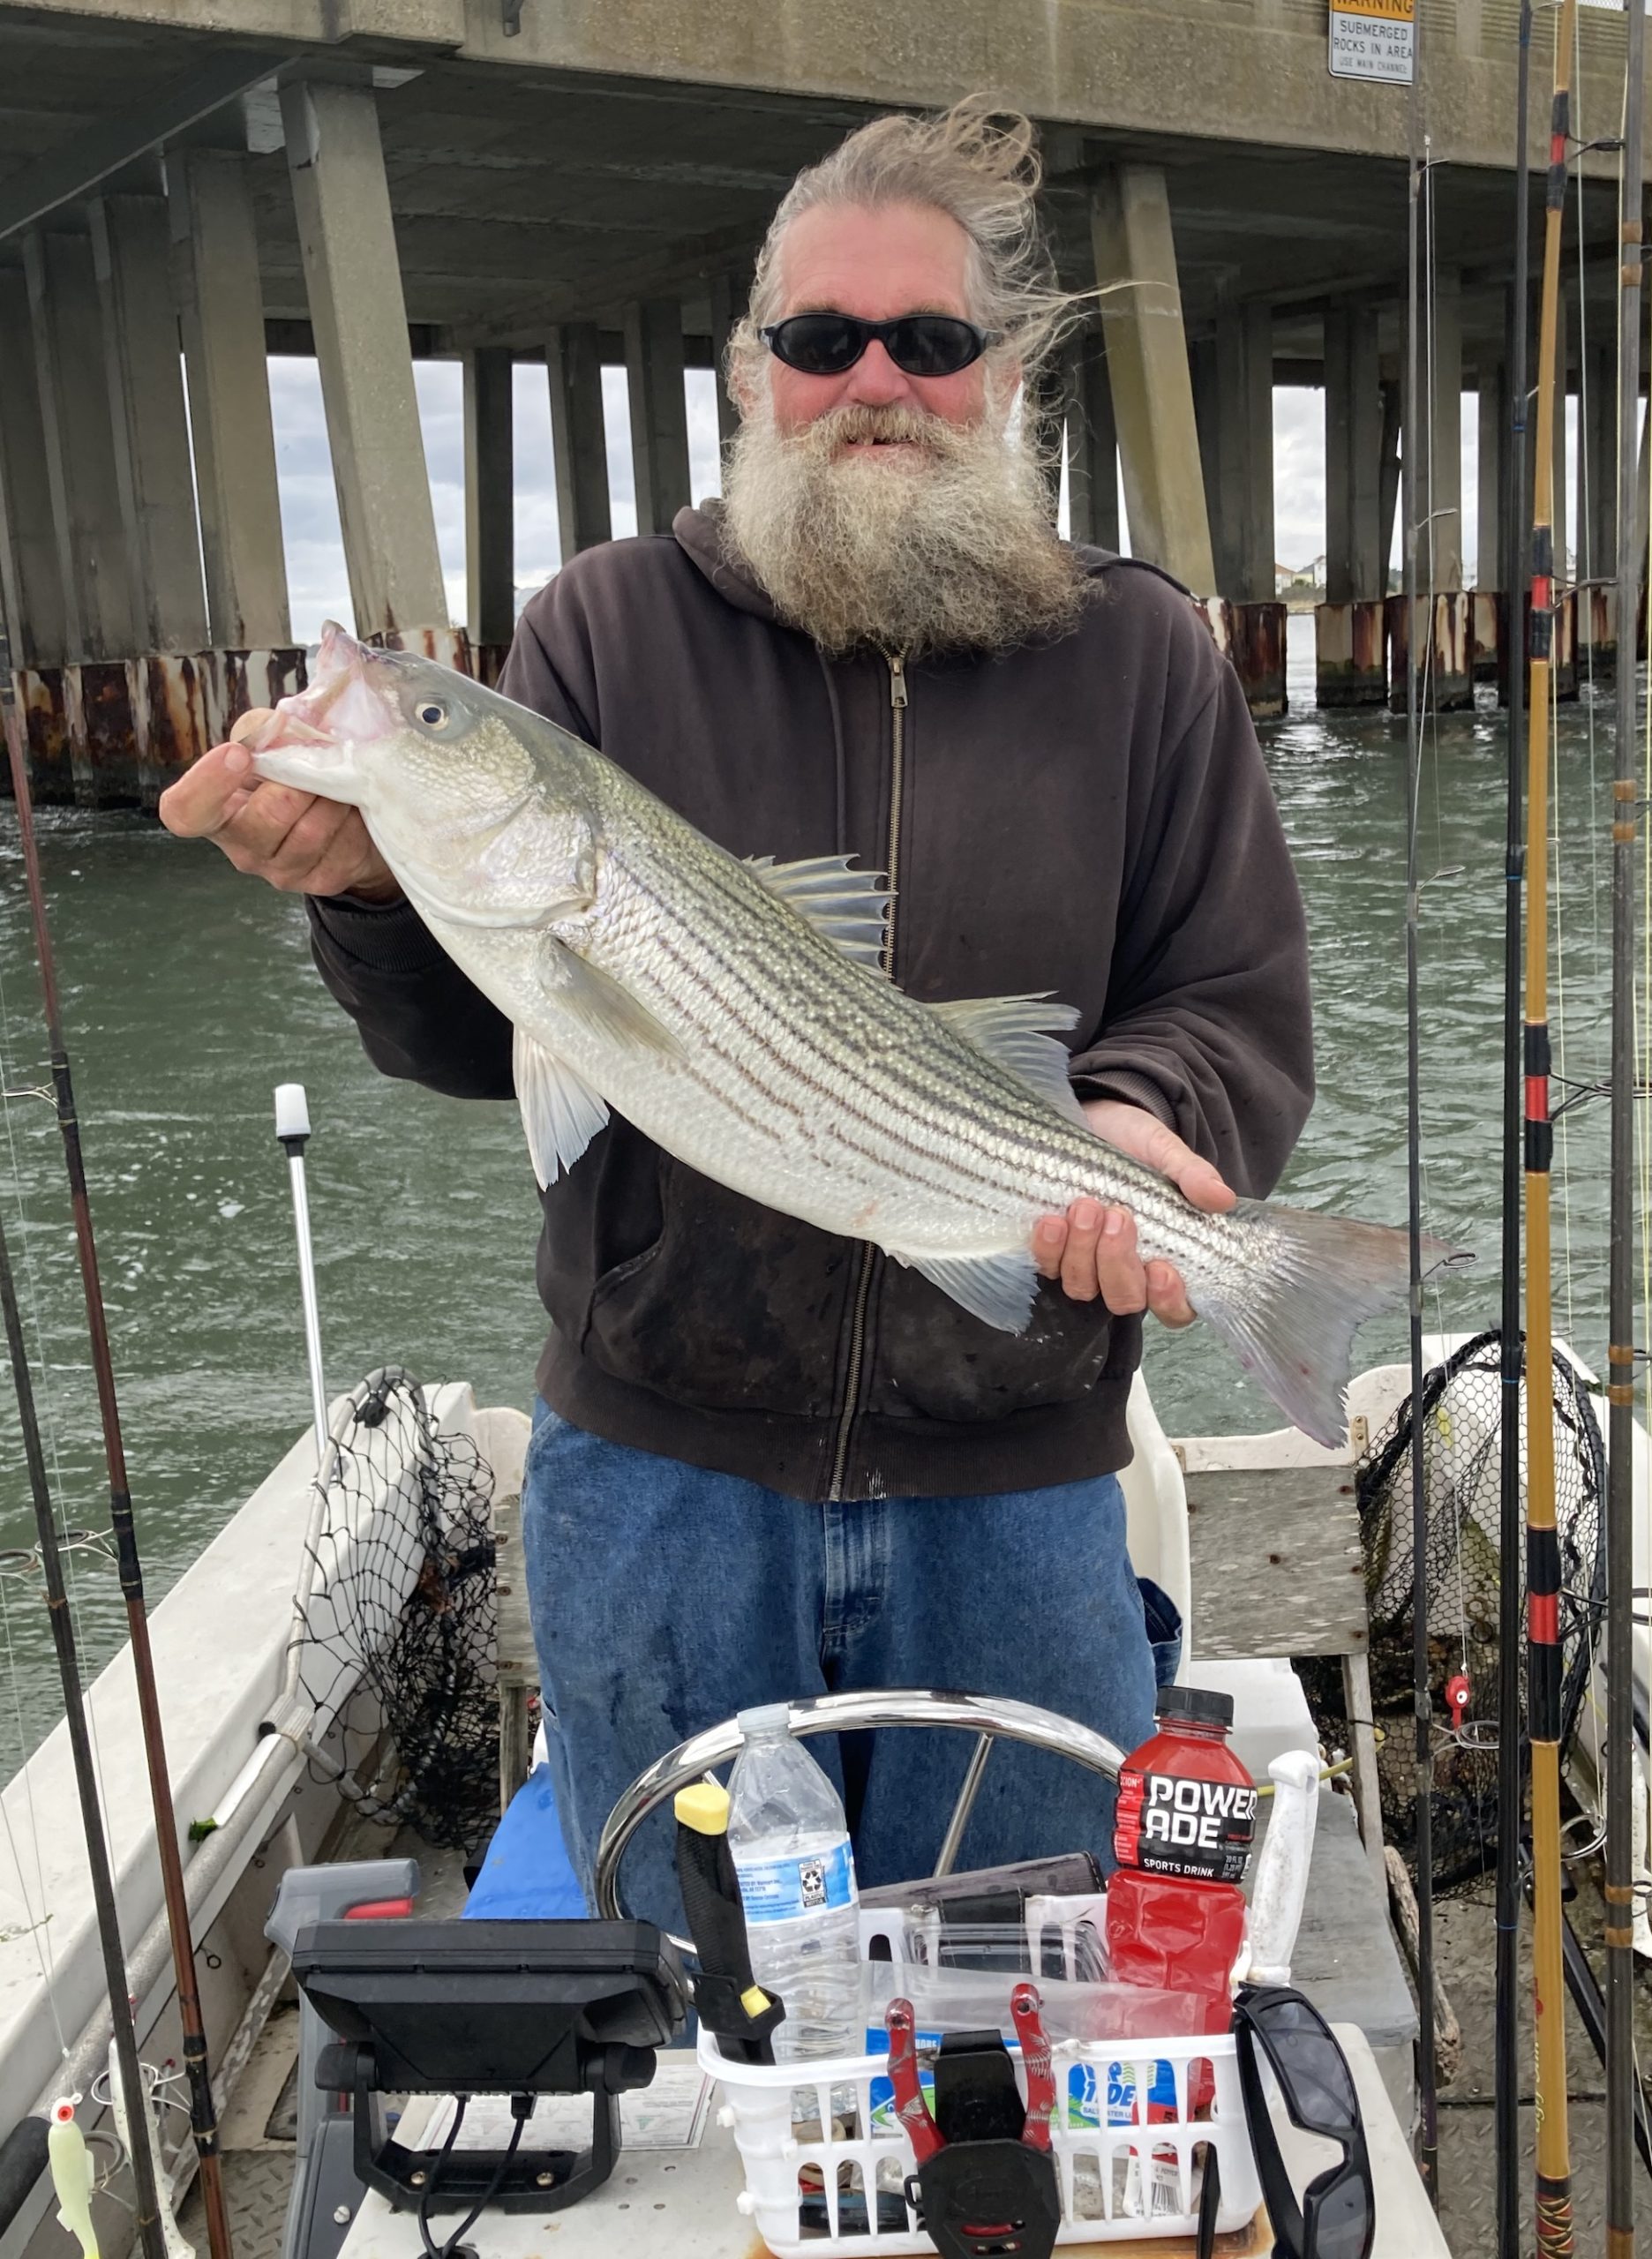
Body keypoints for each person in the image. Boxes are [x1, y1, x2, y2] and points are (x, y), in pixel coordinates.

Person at [161, 99, 1313, 1929]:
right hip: (660, 1473)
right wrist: (371, 891)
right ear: (749, 371)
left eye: (929, 341)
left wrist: (1149, 1114)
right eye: (818, 339)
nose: (875, 379)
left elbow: (1230, 993)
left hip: (1012, 1478)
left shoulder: (1141, 655)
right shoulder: (608, 627)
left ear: (1001, 373)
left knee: (1010, 1976)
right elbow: (486, 1045)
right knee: (697, 1986)